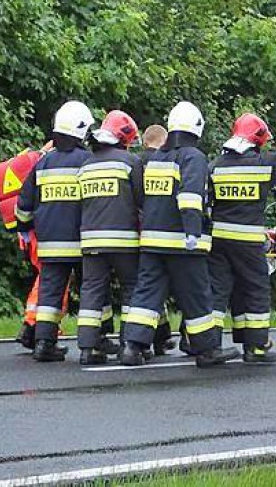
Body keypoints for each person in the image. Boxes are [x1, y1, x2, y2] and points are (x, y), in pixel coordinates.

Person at [120, 102, 239, 368]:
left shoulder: (156, 158)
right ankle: (207, 349)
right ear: (196, 128)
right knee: (197, 296)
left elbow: (145, 198)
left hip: (152, 241)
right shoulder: (193, 157)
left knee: (146, 294)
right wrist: (193, 232)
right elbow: (190, 197)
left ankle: (132, 347)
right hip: (182, 242)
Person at [205, 97, 276, 363]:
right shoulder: (264, 165)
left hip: (218, 240)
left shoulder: (214, 166)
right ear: (257, 139)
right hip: (249, 242)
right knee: (255, 289)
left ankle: (210, 347)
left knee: (217, 292)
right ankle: (256, 347)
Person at [14, 101, 94, 361]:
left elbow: (23, 206)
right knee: (92, 291)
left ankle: (44, 345)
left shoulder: (43, 163)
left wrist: (25, 229)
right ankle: (94, 344)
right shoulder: (88, 161)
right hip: (82, 242)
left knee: (49, 295)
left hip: (49, 244)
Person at [76, 110, 143, 365]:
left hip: (91, 241)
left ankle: (88, 348)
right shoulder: (130, 162)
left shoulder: (85, 165)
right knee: (131, 289)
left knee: (92, 290)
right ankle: (129, 346)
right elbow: (141, 200)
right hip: (124, 240)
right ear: (123, 138)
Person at [0, 141, 50, 350]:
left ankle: (32, 326)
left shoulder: (34, 159)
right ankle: (32, 326)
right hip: (39, 232)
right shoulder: (47, 162)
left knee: (46, 277)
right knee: (51, 278)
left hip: (27, 232)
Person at [142, 124, 175, 355]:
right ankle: (161, 337)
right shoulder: (167, 161)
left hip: (138, 231)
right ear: (164, 141)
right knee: (157, 288)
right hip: (163, 231)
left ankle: (155, 337)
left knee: (147, 288)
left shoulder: (136, 162)